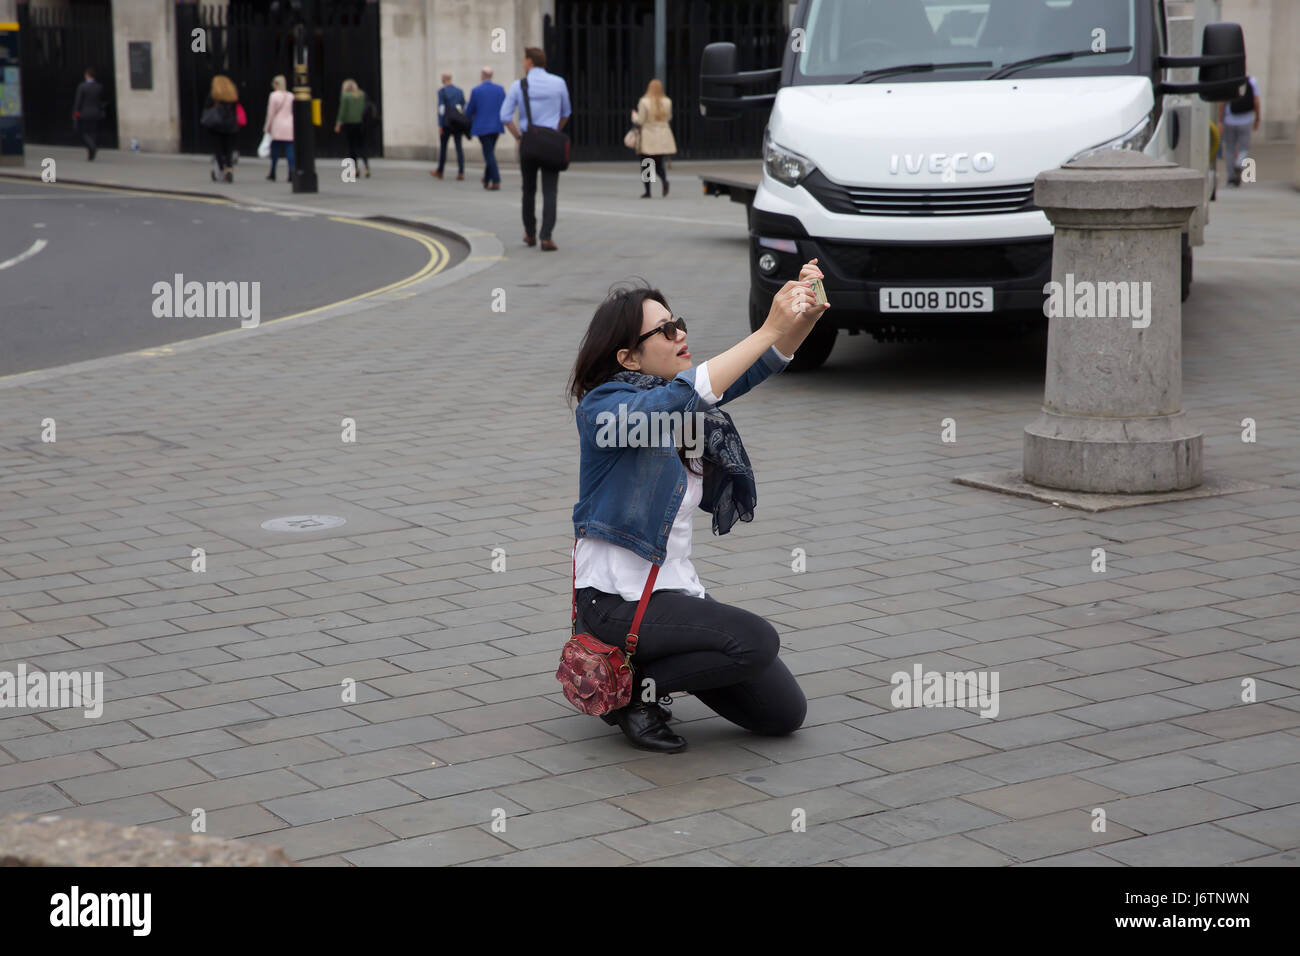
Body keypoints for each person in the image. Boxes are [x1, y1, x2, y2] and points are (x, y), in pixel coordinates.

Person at [567, 259, 831, 752]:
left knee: (782, 713)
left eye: (678, 322)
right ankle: (635, 695)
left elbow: (741, 376)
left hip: (672, 592)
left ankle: (642, 674)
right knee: (755, 640)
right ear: (628, 357)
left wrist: (801, 322)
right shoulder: (605, 412)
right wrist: (768, 326)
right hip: (613, 602)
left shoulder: (679, 409)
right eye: (664, 330)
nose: (679, 333)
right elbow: (690, 393)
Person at [501, 47, 571, 251]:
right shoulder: (559, 83)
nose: (523, 63)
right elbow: (566, 112)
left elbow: (505, 116)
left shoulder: (518, 85)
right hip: (550, 141)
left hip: (528, 142)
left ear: (530, 62)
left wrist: (518, 138)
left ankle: (530, 234)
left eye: (524, 60)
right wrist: (554, 131)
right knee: (550, 191)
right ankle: (547, 237)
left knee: (528, 190)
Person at [631, 79, 676, 198]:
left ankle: (648, 191)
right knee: (659, 163)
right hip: (662, 134)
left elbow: (640, 120)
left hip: (648, 135)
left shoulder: (644, 101)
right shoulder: (667, 101)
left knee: (646, 162)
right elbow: (669, 117)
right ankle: (664, 180)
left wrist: (634, 117)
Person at [466, 66, 506, 190]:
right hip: (496, 125)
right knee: (490, 152)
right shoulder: (500, 90)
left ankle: (496, 180)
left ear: (482, 76)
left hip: (482, 126)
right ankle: (487, 178)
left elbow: (469, 110)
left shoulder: (476, 90)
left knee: (488, 153)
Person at [1219, 74, 1261, 187]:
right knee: (1244, 147)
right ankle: (1239, 163)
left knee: (1229, 148)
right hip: (1246, 120)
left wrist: (1220, 120)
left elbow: (1222, 102)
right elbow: (1256, 101)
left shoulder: (1229, 80)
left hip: (1229, 120)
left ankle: (1231, 177)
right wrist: (1257, 118)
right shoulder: (1252, 81)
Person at [203, 75, 240, 183]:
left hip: (217, 125)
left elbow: (207, 108)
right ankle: (229, 168)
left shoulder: (214, 95)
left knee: (218, 149)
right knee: (229, 149)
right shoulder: (232, 95)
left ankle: (222, 170)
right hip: (231, 125)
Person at [433, 73, 467, 180]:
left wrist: (440, 125)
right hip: (457, 122)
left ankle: (440, 171)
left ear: (443, 79)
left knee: (443, 148)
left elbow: (441, 109)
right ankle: (461, 171)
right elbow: (464, 107)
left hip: (446, 123)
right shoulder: (459, 91)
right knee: (459, 147)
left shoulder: (442, 91)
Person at [334, 79, 370, 178]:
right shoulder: (361, 94)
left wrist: (338, 124)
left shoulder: (345, 96)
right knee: (362, 146)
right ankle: (367, 167)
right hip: (360, 123)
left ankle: (355, 169)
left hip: (349, 124)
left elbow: (342, 111)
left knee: (351, 147)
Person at [263, 75, 294, 183]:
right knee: (289, 149)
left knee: (275, 150)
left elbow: (270, 113)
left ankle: (273, 172)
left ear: (276, 84)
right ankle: (291, 172)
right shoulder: (291, 96)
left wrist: (267, 127)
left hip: (277, 124)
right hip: (289, 124)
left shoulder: (273, 96)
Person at [72, 67, 105, 161]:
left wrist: (75, 113)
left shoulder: (82, 86)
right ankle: (91, 154)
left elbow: (78, 101)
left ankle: (92, 146)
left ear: (87, 75)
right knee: (93, 132)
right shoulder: (99, 86)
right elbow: (101, 100)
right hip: (96, 112)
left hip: (84, 113)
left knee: (83, 132)